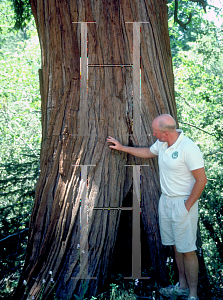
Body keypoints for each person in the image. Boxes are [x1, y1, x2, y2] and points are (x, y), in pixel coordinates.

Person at [106, 114, 207, 300]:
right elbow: (147, 152)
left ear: (166, 133)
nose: (153, 134)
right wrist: (122, 148)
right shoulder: (162, 144)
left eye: (156, 132)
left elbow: (201, 180)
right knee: (177, 247)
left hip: (184, 202)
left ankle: (193, 295)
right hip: (166, 201)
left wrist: (186, 207)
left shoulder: (188, 148)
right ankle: (182, 287)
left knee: (188, 250)